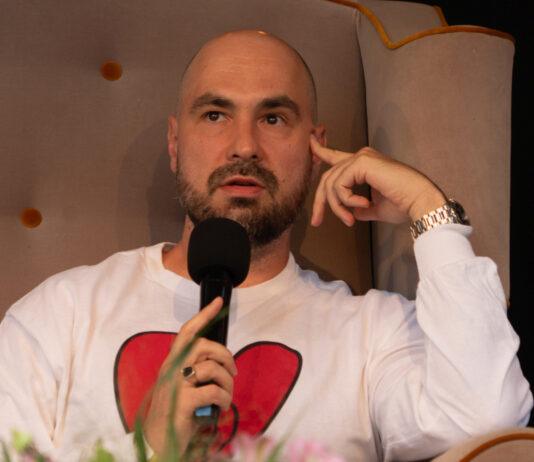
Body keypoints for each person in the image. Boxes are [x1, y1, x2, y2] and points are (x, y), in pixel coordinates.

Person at [0, 30, 531, 461]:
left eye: (273, 118)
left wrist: (429, 209)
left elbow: (488, 420)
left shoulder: (370, 333)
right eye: (215, 115)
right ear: (175, 143)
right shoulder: (63, 313)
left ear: (315, 146)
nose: (245, 146)